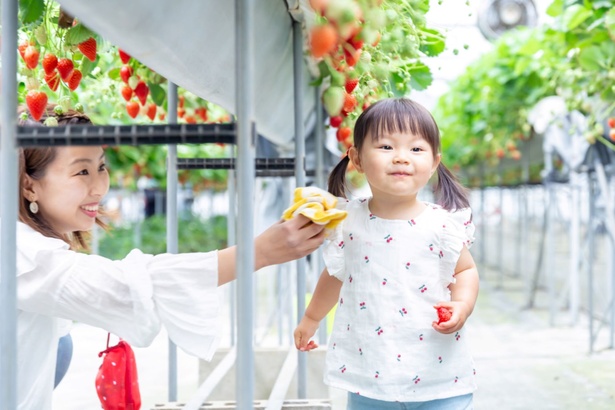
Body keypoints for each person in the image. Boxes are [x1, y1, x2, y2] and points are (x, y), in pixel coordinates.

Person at [13, 105, 326, 410]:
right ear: (29, 185)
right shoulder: (18, 252)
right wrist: (259, 253)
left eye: (101, 167)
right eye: (82, 171)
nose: (99, 186)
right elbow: (126, 286)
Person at [293, 98, 479, 409]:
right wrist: (311, 319)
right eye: (386, 147)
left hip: (438, 373)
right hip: (371, 373)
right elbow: (335, 274)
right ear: (357, 158)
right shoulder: (348, 222)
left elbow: (465, 271)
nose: (402, 158)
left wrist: (462, 304)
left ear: (434, 162)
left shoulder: (442, 225)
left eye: (416, 149)